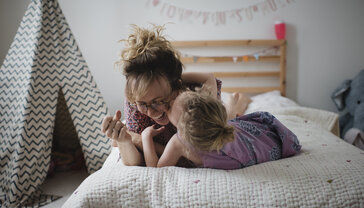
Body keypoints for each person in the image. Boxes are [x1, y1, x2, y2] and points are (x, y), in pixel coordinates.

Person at [101, 24, 251, 166]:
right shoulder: (135, 101)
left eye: (158, 101)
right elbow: (136, 162)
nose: (151, 111)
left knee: (229, 117)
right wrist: (125, 141)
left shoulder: (192, 97)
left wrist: (139, 140)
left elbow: (202, 149)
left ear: (176, 90)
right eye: (143, 103)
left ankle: (238, 100)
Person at [141, 90, 301, 169]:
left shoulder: (179, 141)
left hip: (230, 131)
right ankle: (235, 100)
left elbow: (155, 171)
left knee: (230, 118)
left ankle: (235, 100)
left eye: (169, 109)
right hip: (239, 133)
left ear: (182, 128)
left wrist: (145, 138)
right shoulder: (212, 122)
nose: (166, 108)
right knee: (229, 120)